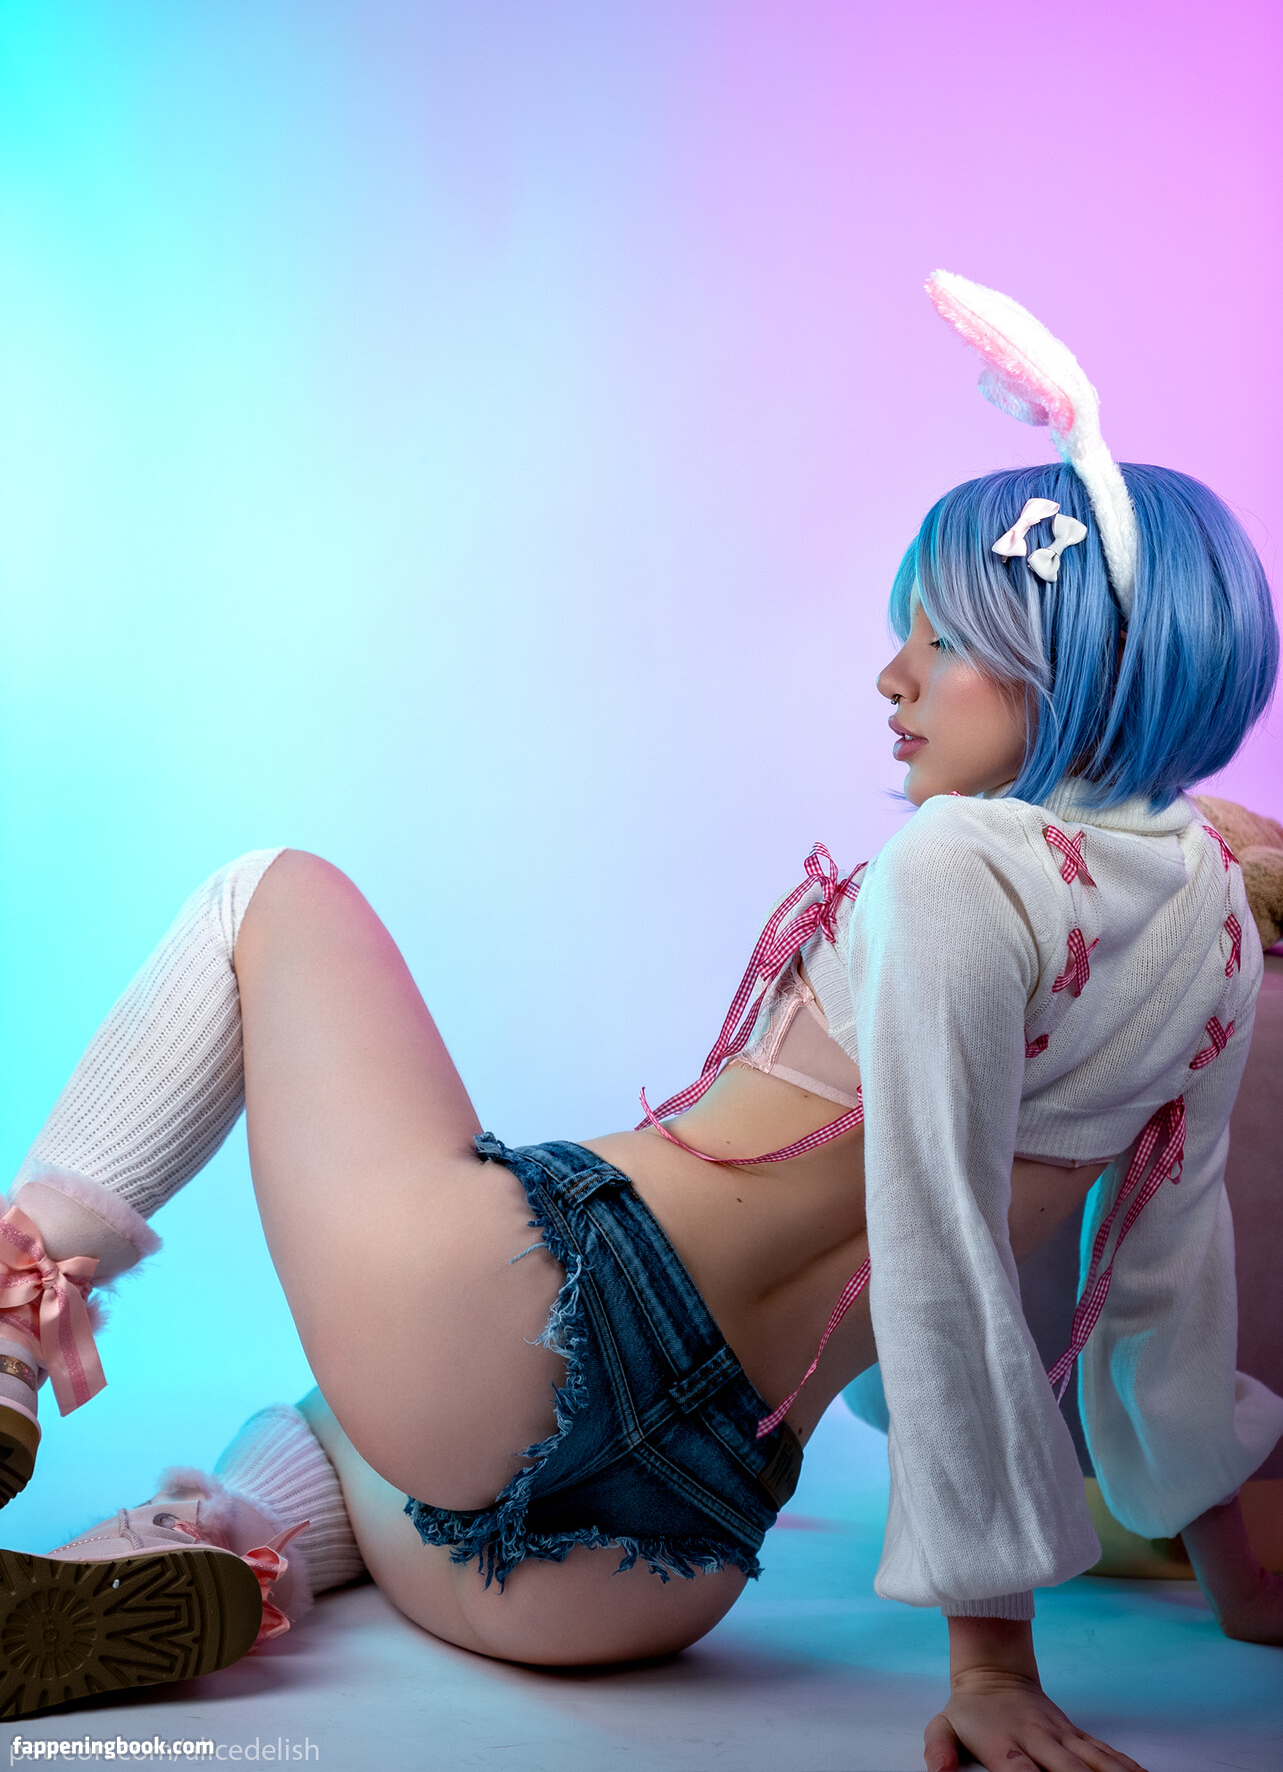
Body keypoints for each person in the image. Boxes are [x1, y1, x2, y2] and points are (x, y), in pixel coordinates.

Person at [0, 274, 1278, 1772]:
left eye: (938, 641)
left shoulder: (959, 866)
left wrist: (990, 1661)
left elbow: (937, 1240)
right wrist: (1241, 1580)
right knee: (348, 1431)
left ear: (1067, 668)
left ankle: (7, 1339)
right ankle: (206, 1544)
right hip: (654, 1564)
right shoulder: (1213, 931)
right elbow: (1166, 1289)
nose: (891, 677)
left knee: (269, 898)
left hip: (525, 1319)